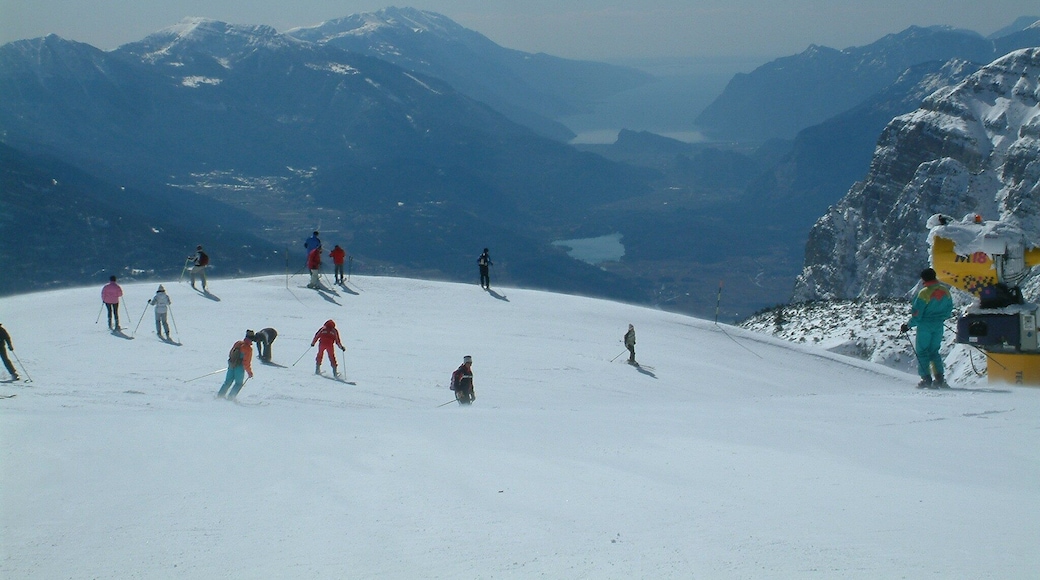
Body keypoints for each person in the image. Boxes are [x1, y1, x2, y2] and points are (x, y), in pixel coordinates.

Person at [900, 267, 954, 388]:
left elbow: (917, 314)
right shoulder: (945, 291)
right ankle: (939, 378)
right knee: (934, 351)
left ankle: (926, 379)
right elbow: (949, 309)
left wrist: (908, 325)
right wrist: (940, 318)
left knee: (923, 352)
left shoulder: (924, 293)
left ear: (923, 279)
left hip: (925, 326)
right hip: (939, 325)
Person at [217, 330, 255, 400]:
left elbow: (231, 353)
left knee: (227, 382)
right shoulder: (248, 349)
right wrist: (249, 372)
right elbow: (246, 363)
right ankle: (231, 398)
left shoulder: (238, 343)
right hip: (239, 368)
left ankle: (220, 396)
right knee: (238, 383)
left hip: (231, 365)